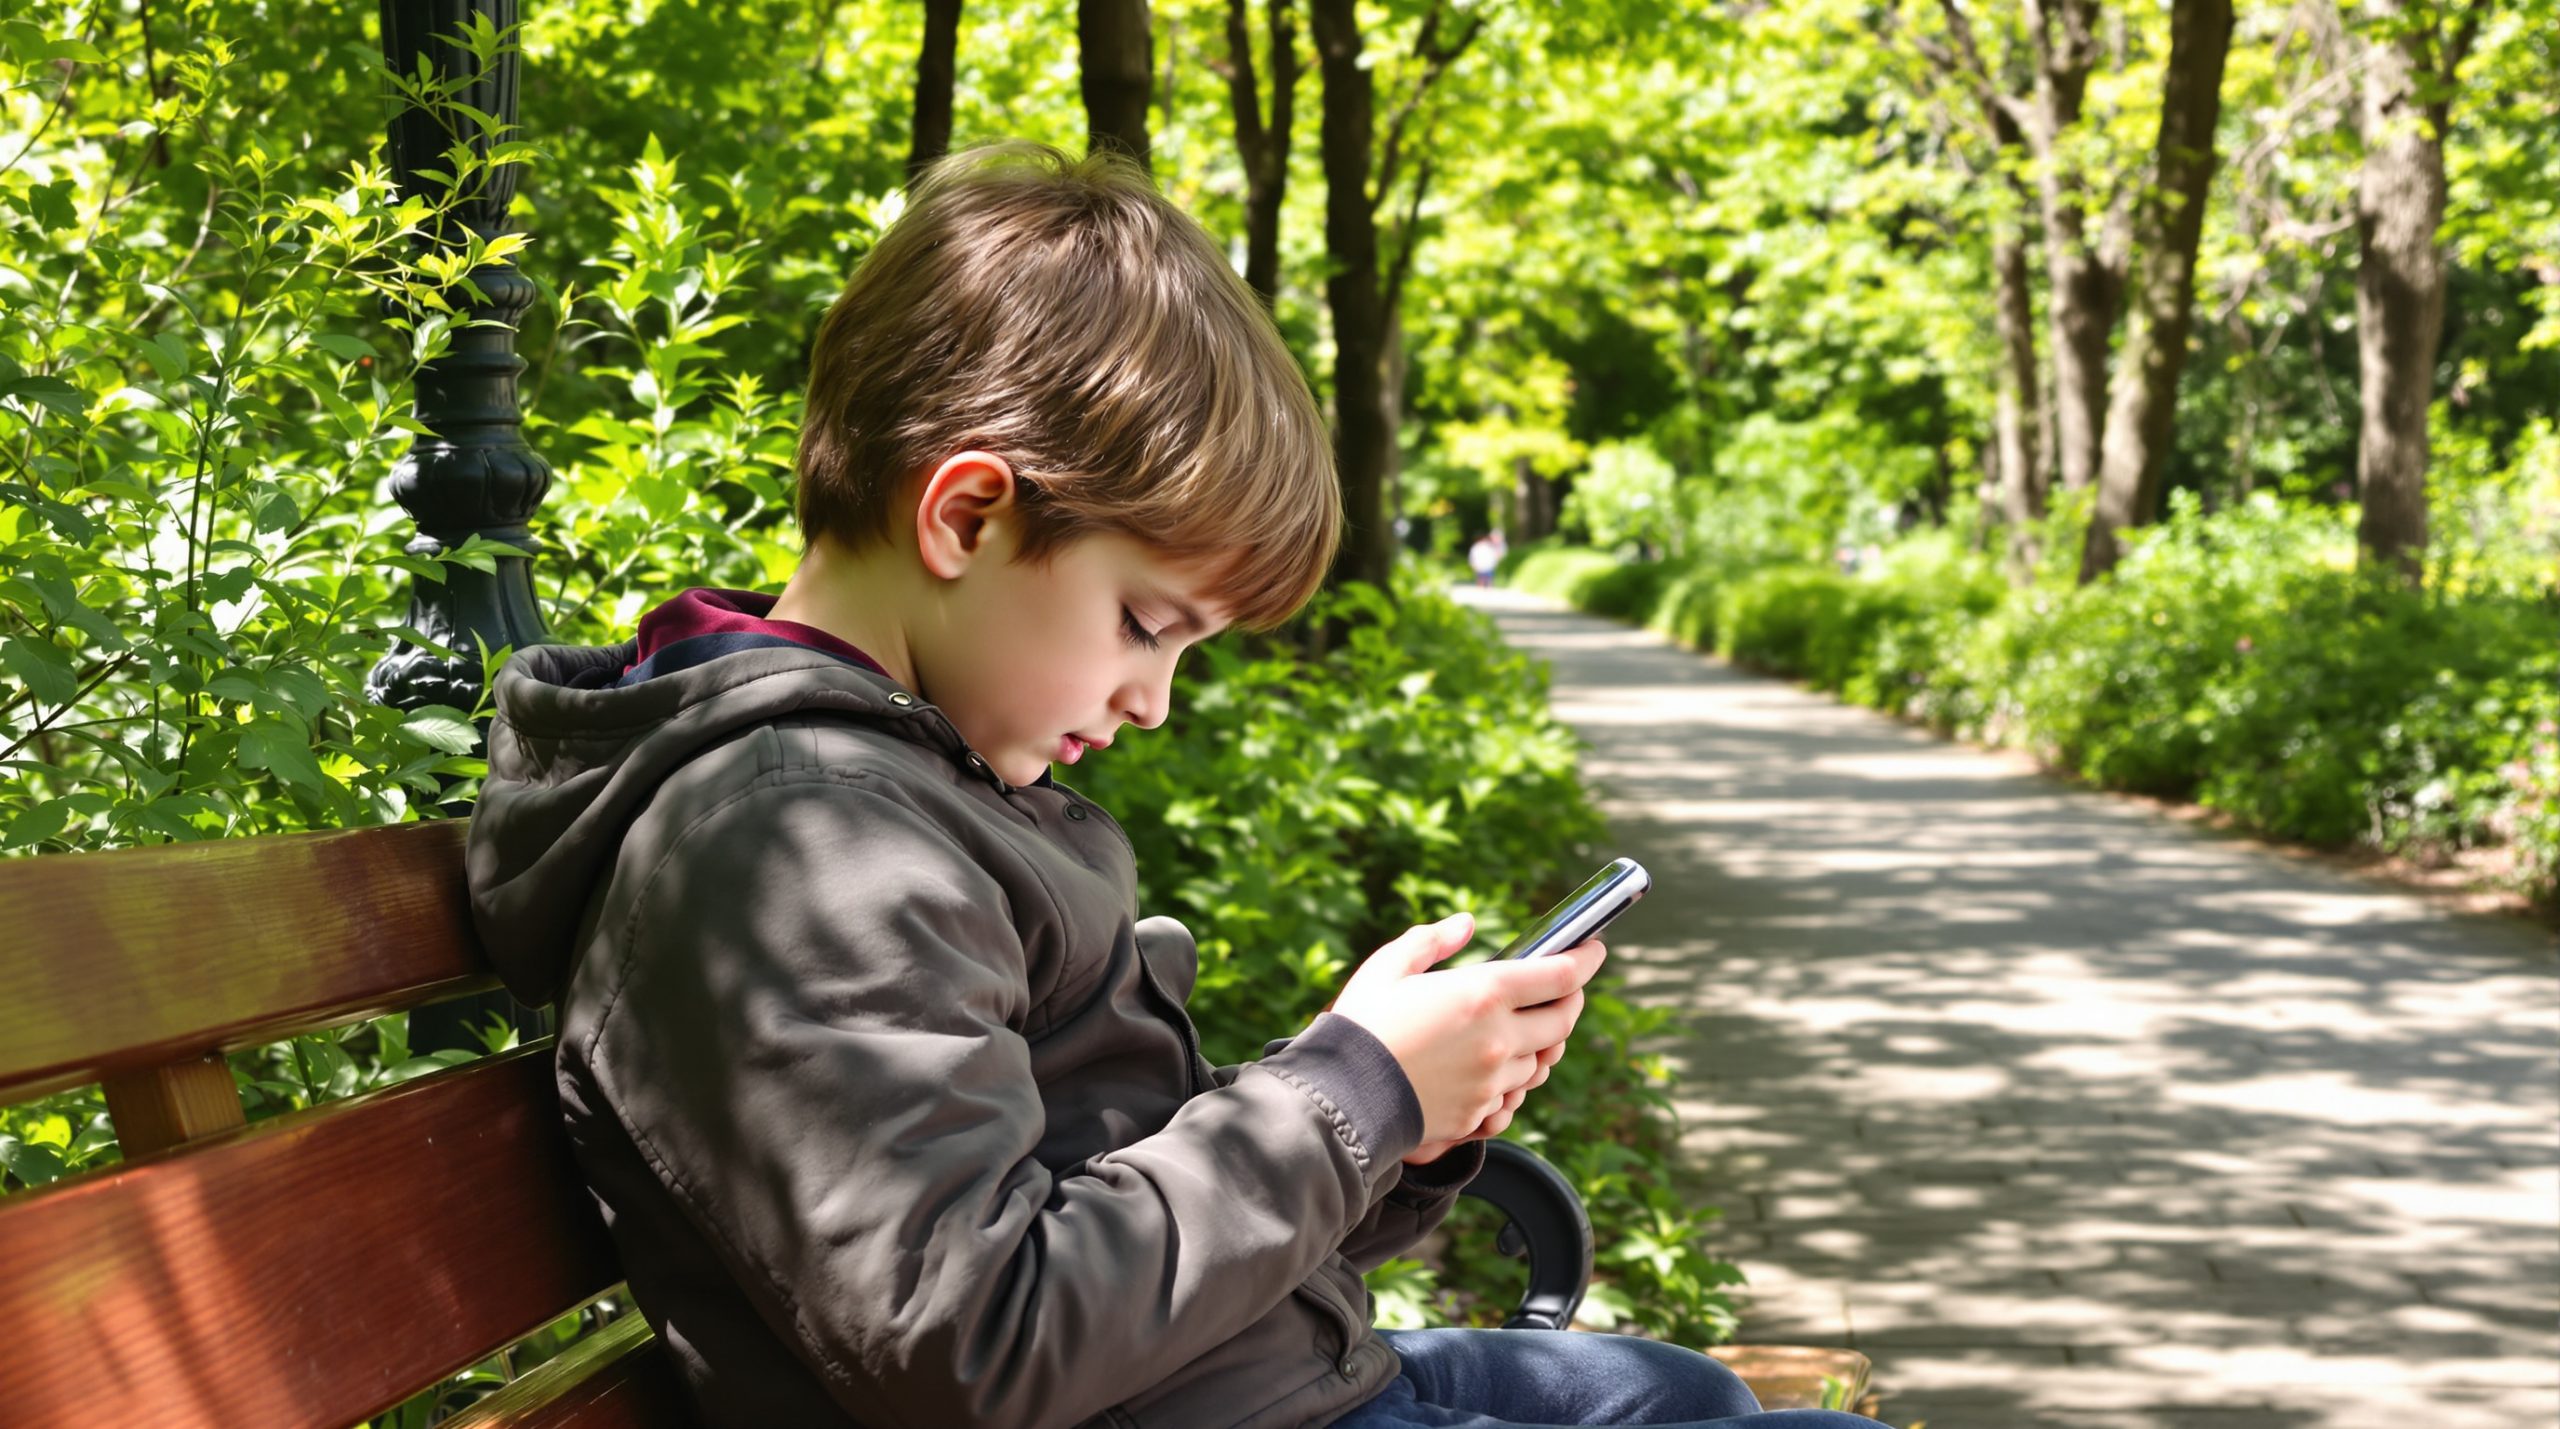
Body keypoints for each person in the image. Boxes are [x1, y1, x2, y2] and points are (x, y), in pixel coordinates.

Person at [465, 142, 1885, 1429]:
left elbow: (1115, 1208)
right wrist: (1350, 1093)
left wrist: (1402, 1119)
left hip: (1266, 1386)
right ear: (965, 514)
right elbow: (978, 1335)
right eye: (1150, 625)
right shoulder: (791, 846)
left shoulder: (911, 788)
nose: (1152, 699)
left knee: (1676, 1391)